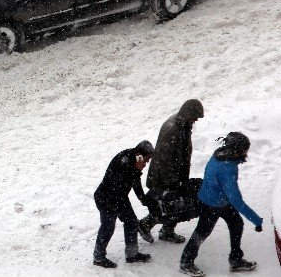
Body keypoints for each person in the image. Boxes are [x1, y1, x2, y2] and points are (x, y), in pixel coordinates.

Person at [179, 132, 263, 277]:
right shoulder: (227, 168)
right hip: (212, 203)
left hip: (219, 199)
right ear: (236, 151)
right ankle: (186, 262)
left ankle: (235, 259)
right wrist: (256, 220)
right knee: (202, 232)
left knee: (236, 223)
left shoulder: (220, 154)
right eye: (245, 150)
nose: (246, 153)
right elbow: (236, 200)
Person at [139, 99, 204, 244]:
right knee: (167, 204)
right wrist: (172, 182)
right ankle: (145, 225)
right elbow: (164, 159)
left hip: (175, 174)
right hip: (164, 176)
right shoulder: (173, 129)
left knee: (175, 204)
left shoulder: (183, 124)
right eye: (195, 117)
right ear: (188, 113)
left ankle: (167, 230)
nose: (195, 120)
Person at [93, 140, 155, 269]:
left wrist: (143, 199)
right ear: (139, 155)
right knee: (107, 228)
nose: (147, 163)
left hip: (119, 198)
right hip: (106, 199)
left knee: (132, 222)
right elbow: (117, 185)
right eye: (147, 159)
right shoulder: (124, 161)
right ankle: (98, 258)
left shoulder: (134, 161)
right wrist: (136, 169)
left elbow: (135, 182)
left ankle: (132, 255)